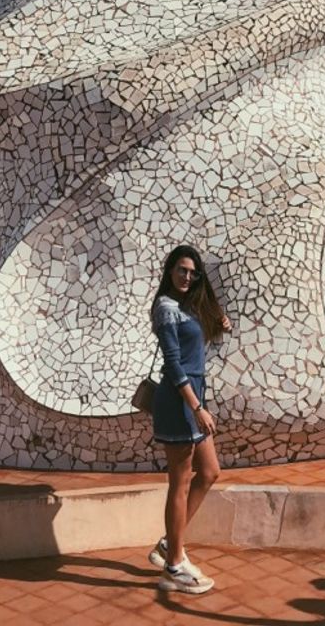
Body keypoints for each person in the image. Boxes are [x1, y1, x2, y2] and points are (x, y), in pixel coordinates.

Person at [148, 244, 230, 596]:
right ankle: (174, 565)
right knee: (179, 482)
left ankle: (171, 542)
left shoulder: (186, 307)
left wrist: (217, 321)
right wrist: (197, 408)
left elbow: (195, 348)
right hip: (180, 403)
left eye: (192, 273)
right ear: (170, 270)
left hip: (193, 399)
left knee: (210, 472)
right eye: (182, 270)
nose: (187, 277)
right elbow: (174, 364)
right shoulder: (166, 309)